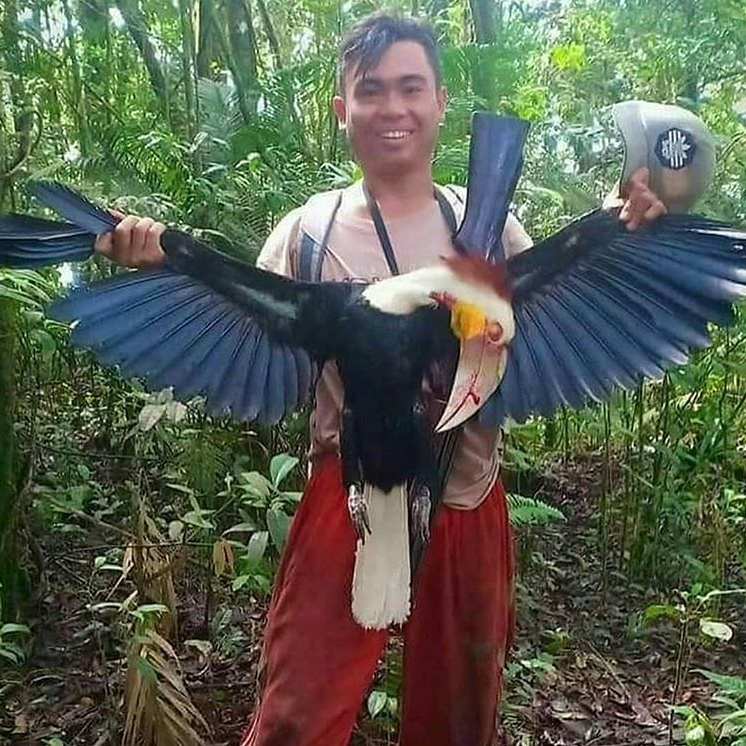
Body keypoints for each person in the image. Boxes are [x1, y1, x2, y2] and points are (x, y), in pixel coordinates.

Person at [95, 12, 666, 746]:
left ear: (439, 103)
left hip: (465, 492)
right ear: (343, 110)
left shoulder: (487, 226)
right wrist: (158, 260)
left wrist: (627, 223)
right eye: (372, 91)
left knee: (460, 711)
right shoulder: (309, 233)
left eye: (410, 88)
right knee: (297, 712)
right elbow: (231, 315)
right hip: (350, 492)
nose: (393, 108)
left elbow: (562, 295)